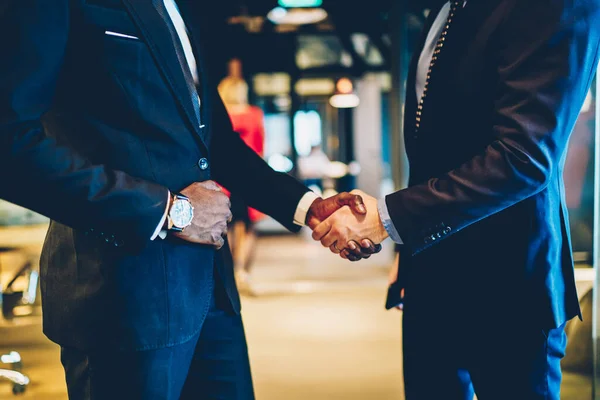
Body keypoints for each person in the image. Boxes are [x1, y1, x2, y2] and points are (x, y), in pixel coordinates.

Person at [0, 1, 380, 399]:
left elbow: (215, 145)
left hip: (211, 293)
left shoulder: (183, 8)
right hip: (123, 299)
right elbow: (10, 145)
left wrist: (307, 205)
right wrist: (169, 211)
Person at [312, 1, 600, 399]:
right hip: (431, 273)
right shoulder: (451, 7)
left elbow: (524, 159)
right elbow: (437, 148)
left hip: (509, 286)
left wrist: (387, 217)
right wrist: (410, 250)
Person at [218, 59, 266, 295]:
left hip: (223, 180)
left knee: (225, 228)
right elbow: (259, 148)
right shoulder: (254, 115)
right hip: (248, 178)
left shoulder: (221, 118)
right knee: (247, 229)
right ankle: (241, 271)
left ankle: (229, 273)